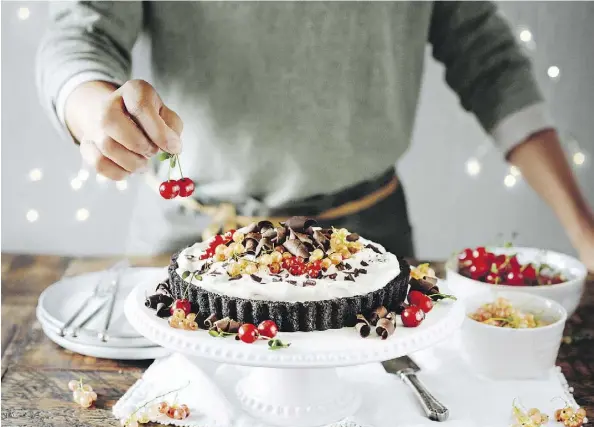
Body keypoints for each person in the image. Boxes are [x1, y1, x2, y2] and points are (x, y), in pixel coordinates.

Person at [37, 1, 594, 268]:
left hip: (368, 238)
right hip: (190, 238)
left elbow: (487, 57)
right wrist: (93, 110)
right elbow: (80, 31)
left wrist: (584, 233)